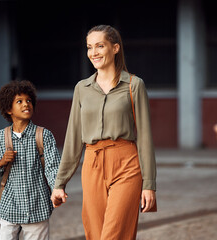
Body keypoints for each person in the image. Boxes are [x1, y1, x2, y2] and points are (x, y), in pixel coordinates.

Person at [51, 25, 156, 240]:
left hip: (126, 164)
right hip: (92, 164)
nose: (93, 53)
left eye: (100, 46)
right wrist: (59, 183)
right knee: (96, 234)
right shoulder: (82, 88)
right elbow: (73, 138)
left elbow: (145, 138)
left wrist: (149, 185)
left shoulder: (134, 85)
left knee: (113, 235)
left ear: (115, 48)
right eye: (89, 47)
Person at [0, 80, 61, 240]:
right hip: (10, 207)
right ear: (8, 109)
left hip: (37, 207)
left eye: (28, 100)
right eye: (19, 101)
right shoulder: (0, 138)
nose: (26, 104)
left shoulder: (44, 135)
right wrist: (2, 162)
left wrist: (57, 188)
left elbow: (53, 167)